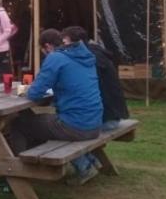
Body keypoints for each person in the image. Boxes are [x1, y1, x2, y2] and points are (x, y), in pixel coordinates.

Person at [7, 29, 104, 185]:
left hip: (76, 126)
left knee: (19, 124)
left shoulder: (55, 58)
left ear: (47, 47)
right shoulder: (84, 57)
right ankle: (87, 161)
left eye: (43, 52)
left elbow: (35, 93)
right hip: (95, 122)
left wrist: (22, 90)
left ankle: (22, 173)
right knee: (34, 122)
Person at [62, 25, 129, 130]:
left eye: (65, 43)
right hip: (113, 116)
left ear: (77, 43)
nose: (64, 48)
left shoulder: (90, 59)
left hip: (105, 120)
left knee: (60, 125)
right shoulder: (96, 53)